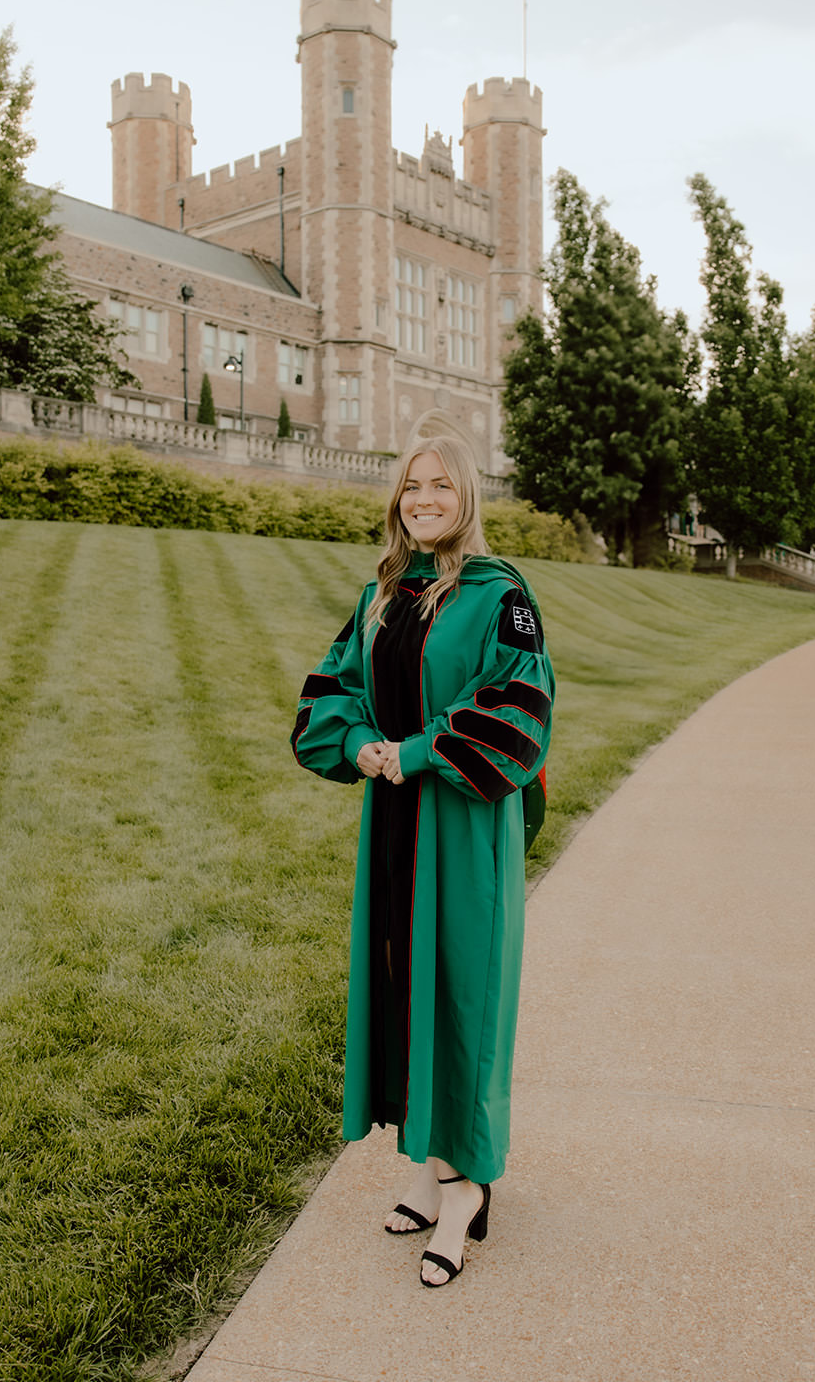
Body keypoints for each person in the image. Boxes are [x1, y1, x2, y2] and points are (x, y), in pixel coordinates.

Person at [291, 428, 555, 1287]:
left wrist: (416, 753)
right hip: (396, 824)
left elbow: (519, 704)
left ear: (466, 496)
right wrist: (364, 743)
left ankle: (469, 1185)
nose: (424, 500)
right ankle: (426, 1163)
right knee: (407, 987)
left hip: (463, 822)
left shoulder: (498, 594)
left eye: (439, 486)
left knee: (464, 998)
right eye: (410, 488)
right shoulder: (383, 595)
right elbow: (334, 689)